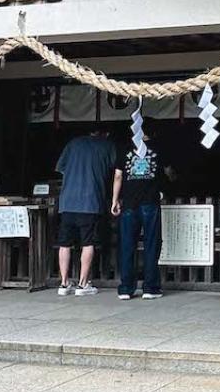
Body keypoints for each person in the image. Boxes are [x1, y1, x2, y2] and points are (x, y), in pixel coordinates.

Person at [54, 127, 117, 296]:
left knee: (64, 243)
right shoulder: (107, 146)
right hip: (90, 200)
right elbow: (116, 171)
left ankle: (64, 283)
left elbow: (61, 168)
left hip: (67, 201)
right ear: (105, 132)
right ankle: (82, 284)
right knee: (88, 242)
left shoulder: (73, 143)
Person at [111, 141, 164, 301]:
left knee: (127, 245)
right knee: (151, 245)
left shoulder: (125, 149)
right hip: (150, 202)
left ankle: (126, 289)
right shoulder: (157, 149)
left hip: (129, 204)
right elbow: (165, 173)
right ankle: (150, 288)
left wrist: (114, 200)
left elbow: (118, 175)